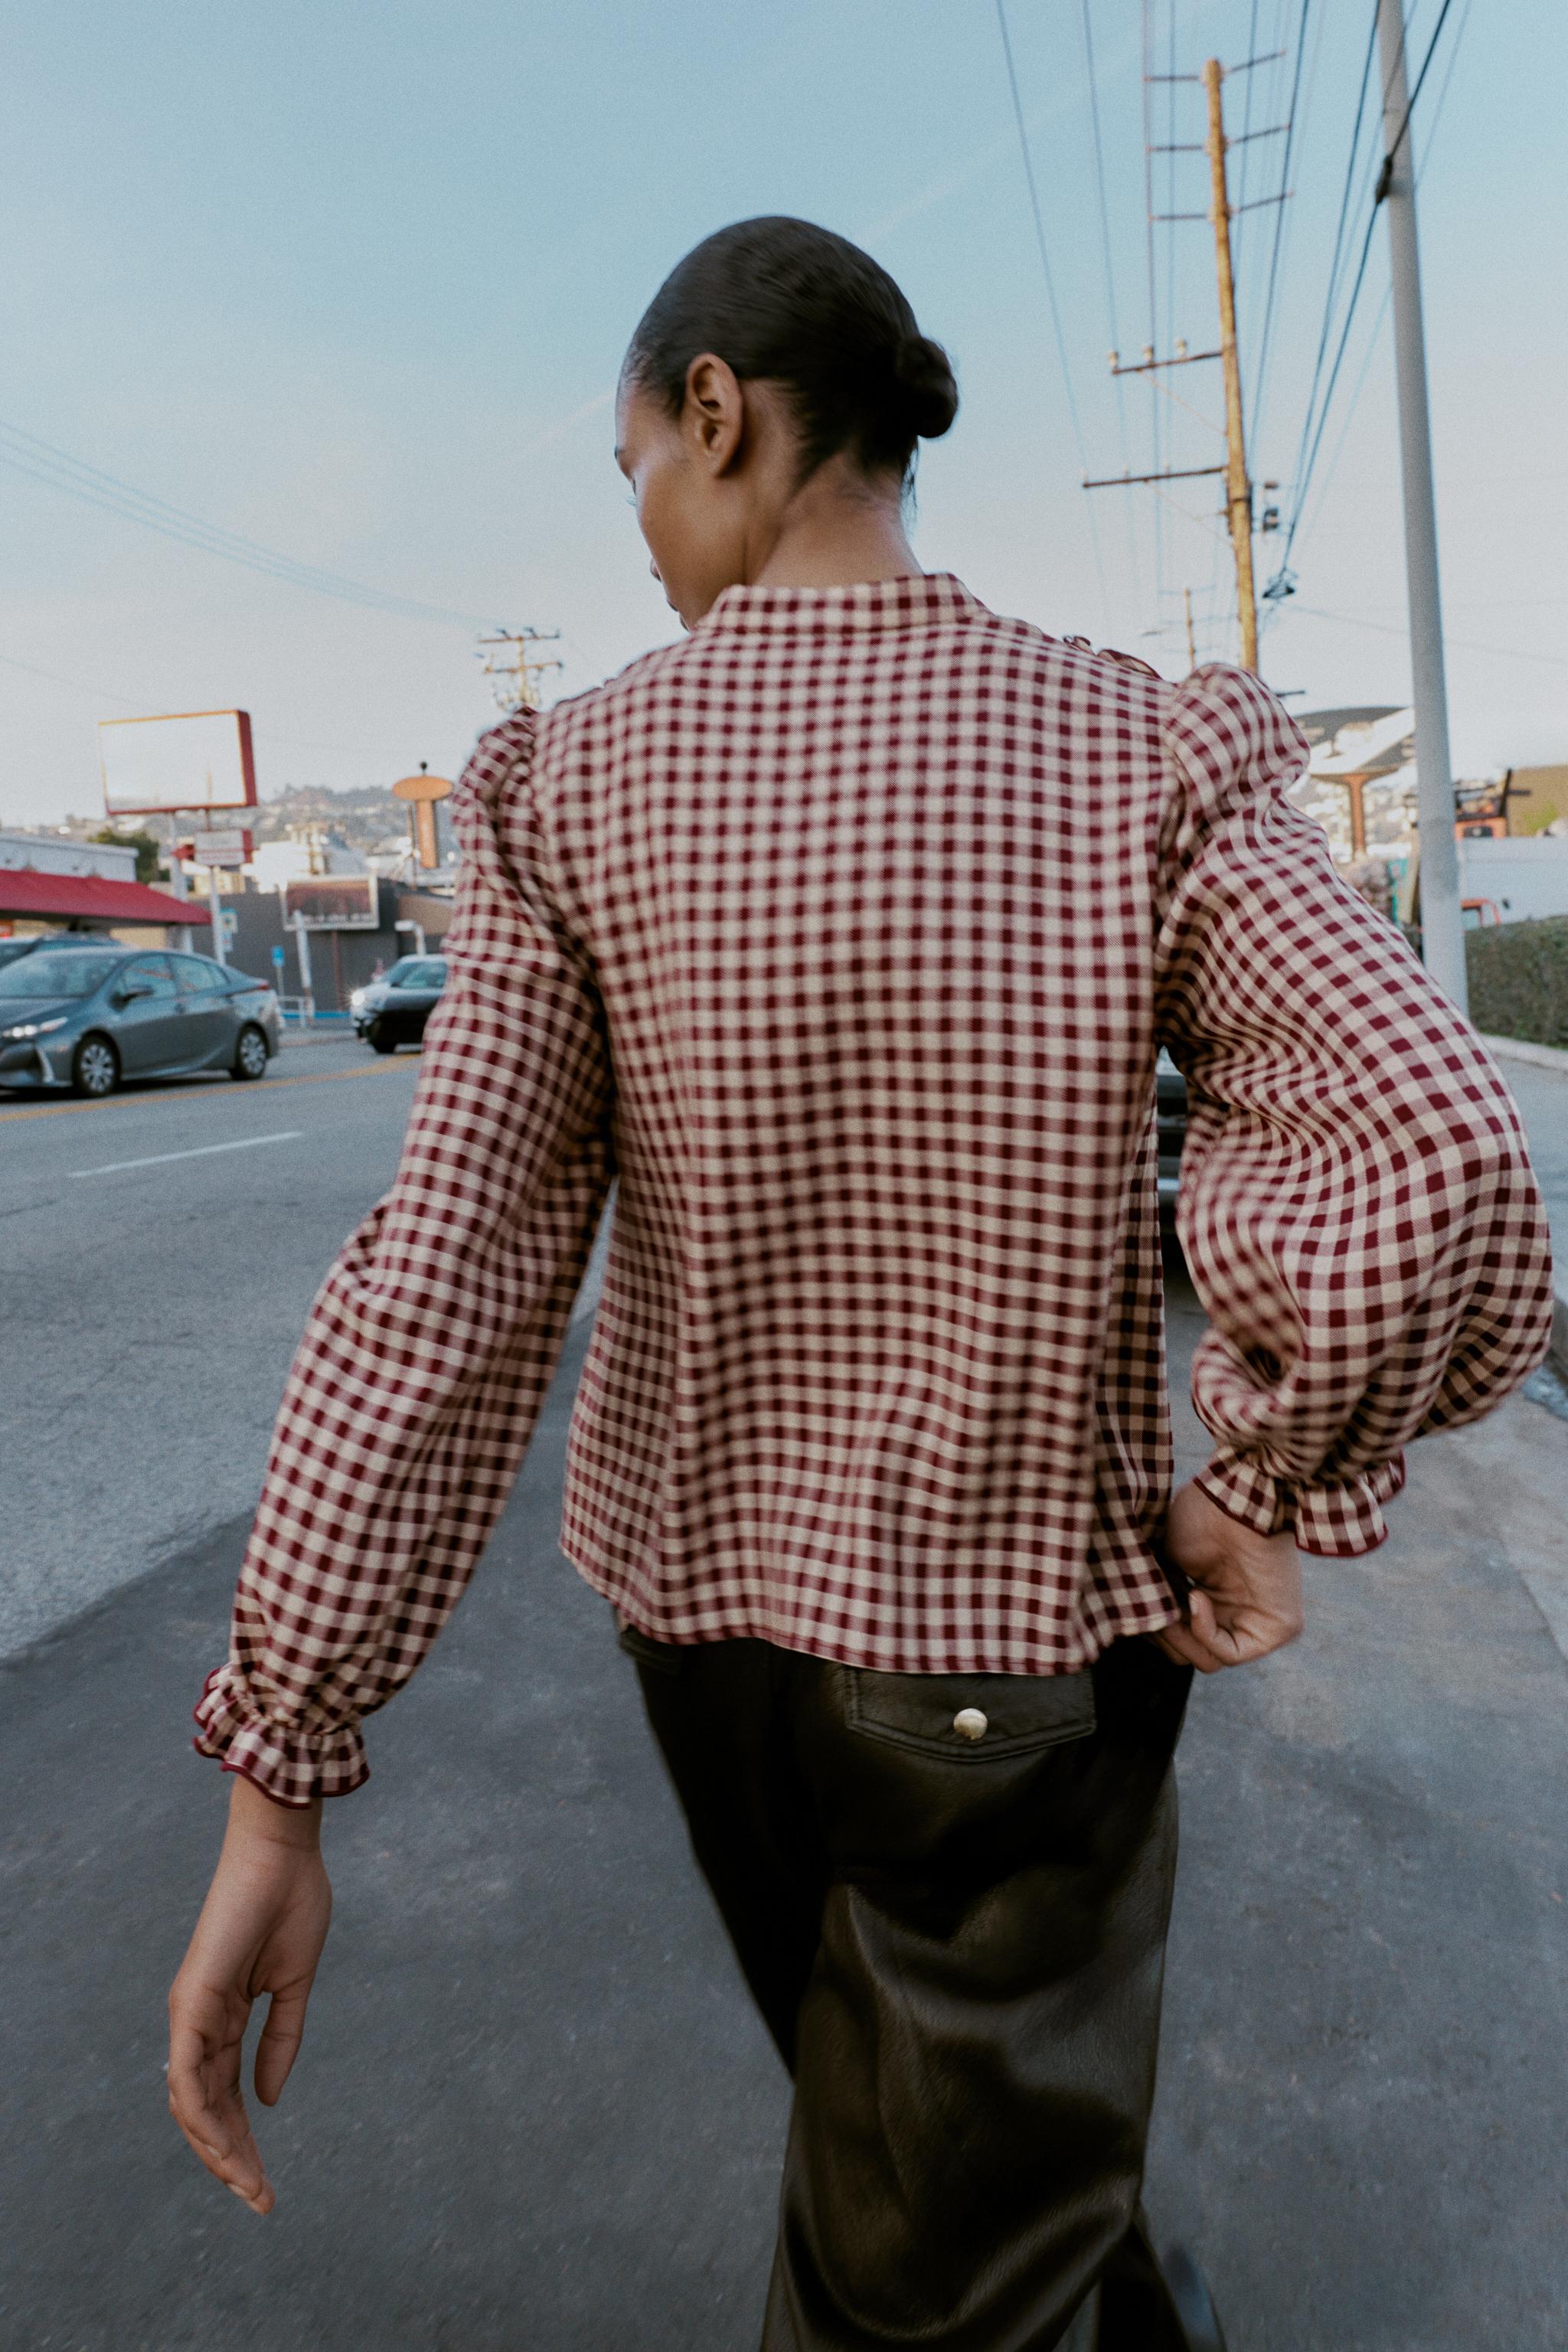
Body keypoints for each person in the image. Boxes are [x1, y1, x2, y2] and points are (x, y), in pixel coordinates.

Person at [168, 217, 1554, 2349]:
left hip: (704, 1648)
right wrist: (1268, 1481)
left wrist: (286, 1757)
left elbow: (442, 1289)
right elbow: (1438, 1145)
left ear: (722, 412)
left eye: (633, 463)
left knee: (922, 2167)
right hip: (1003, 1677)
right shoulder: (1133, 751)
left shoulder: (573, 784)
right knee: (933, 2235)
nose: (636, 528)